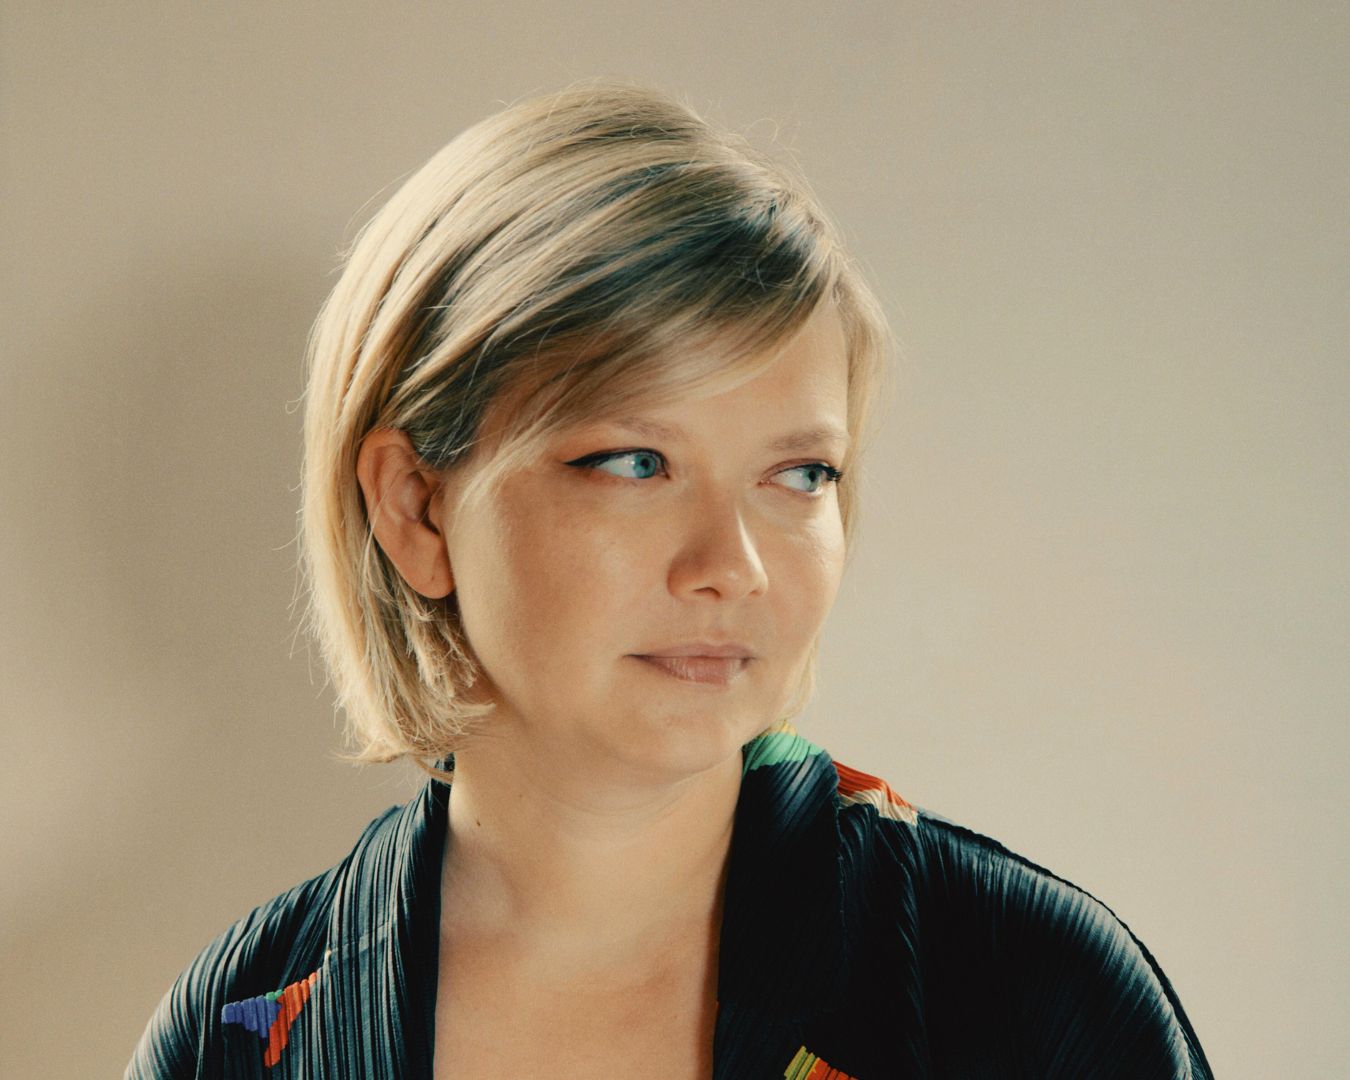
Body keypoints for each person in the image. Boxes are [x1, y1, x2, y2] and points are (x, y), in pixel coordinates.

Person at [125, 77, 1212, 1079]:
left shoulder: (1031, 997)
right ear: (416, 507)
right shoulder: (234, 1034)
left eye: (799, 475)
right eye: (635, 463)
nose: (732, 568)